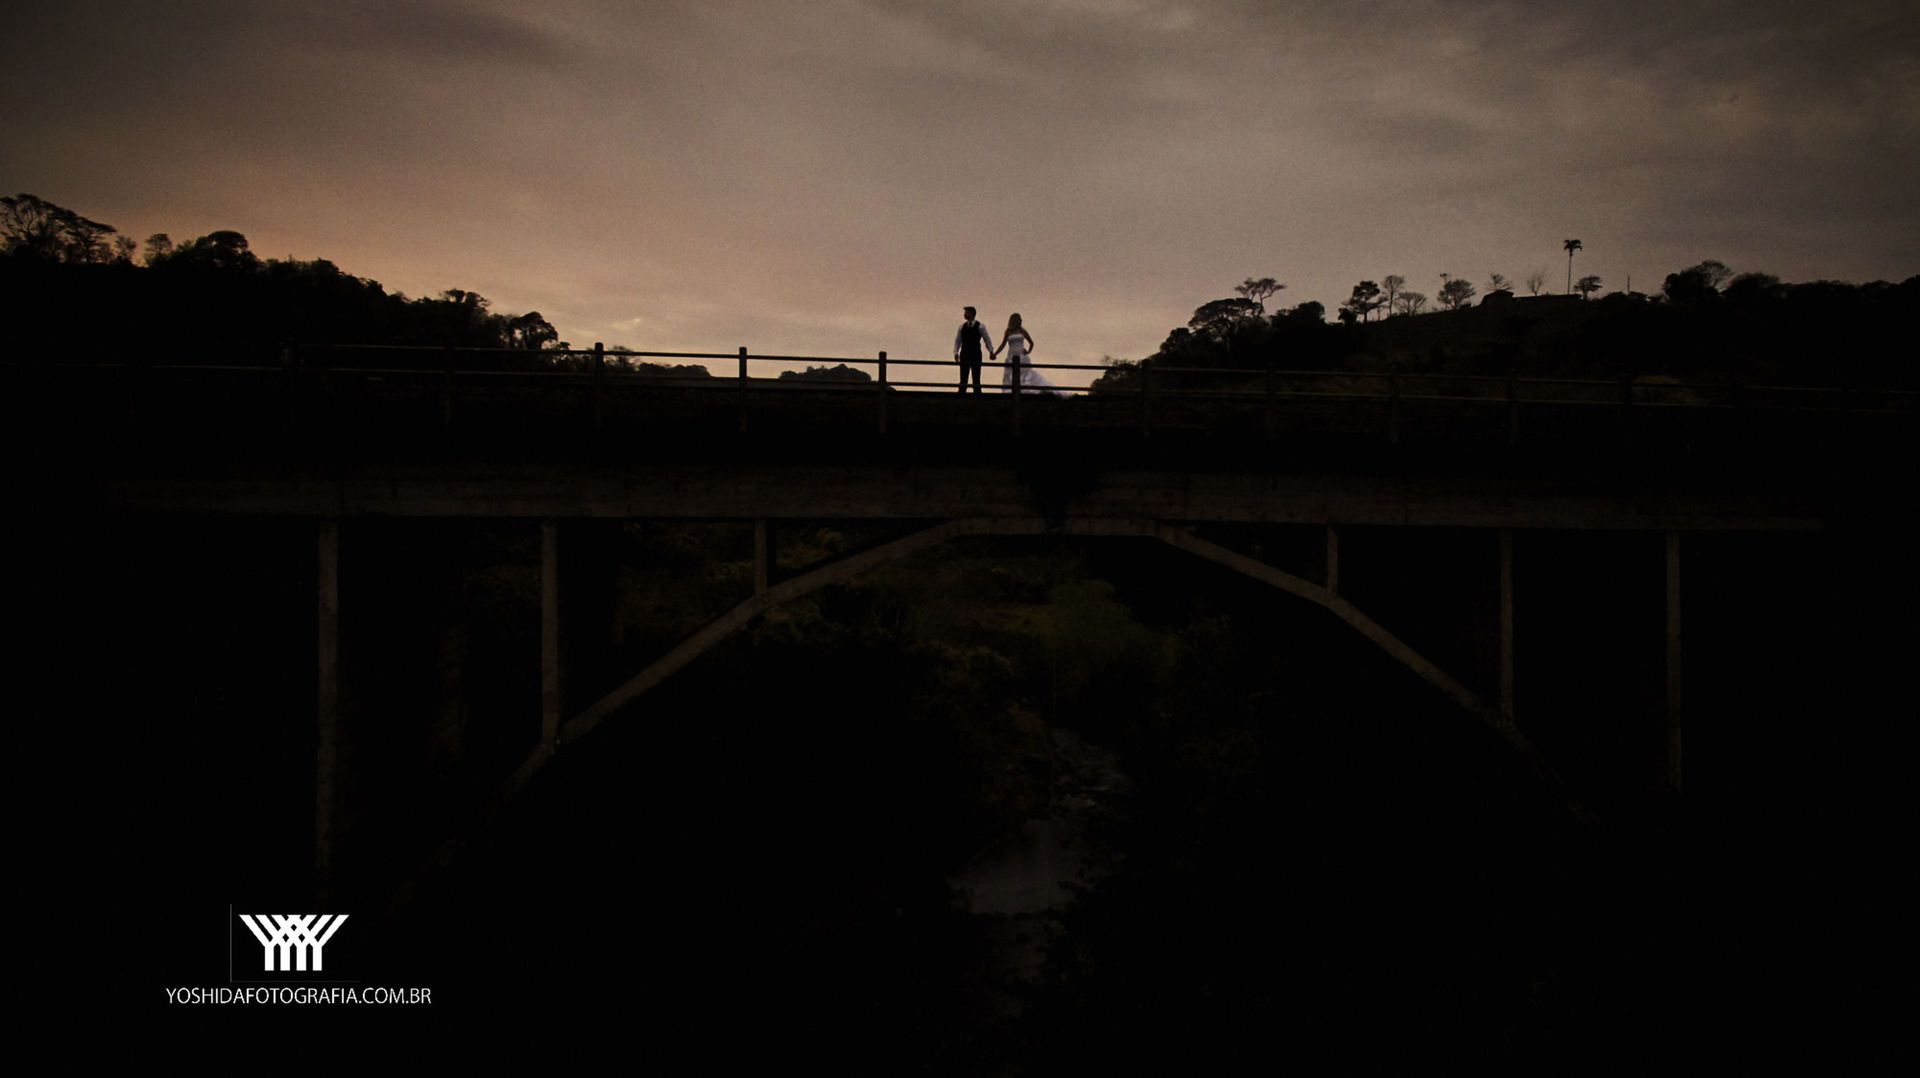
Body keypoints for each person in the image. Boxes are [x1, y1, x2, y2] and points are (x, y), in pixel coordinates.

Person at [991, 313, 1058, 394]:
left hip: (1021, 355)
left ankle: (1024, 390)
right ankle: (1013, 391)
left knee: (1024, 373)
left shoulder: (1022, 331)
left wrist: (1028, 351)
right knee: (1011, 374)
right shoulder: (1008, 331)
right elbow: (1003, 344)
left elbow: (1031, 343)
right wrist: (995, 353)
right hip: (1011, 354)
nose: (1020, 321)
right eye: (1019, 319)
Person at [953, 307, 994, 394]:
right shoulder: (962, 327)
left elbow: (987, 339)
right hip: (965, 352)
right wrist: (956, 352)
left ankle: (977, 393)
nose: (964, 314)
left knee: (976, 375)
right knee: (963, 375)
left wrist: (990, 350)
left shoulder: (980, 326)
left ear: (971, 314)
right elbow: (958, 340)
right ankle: (962, 392)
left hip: (975, 353)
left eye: (966, 312)